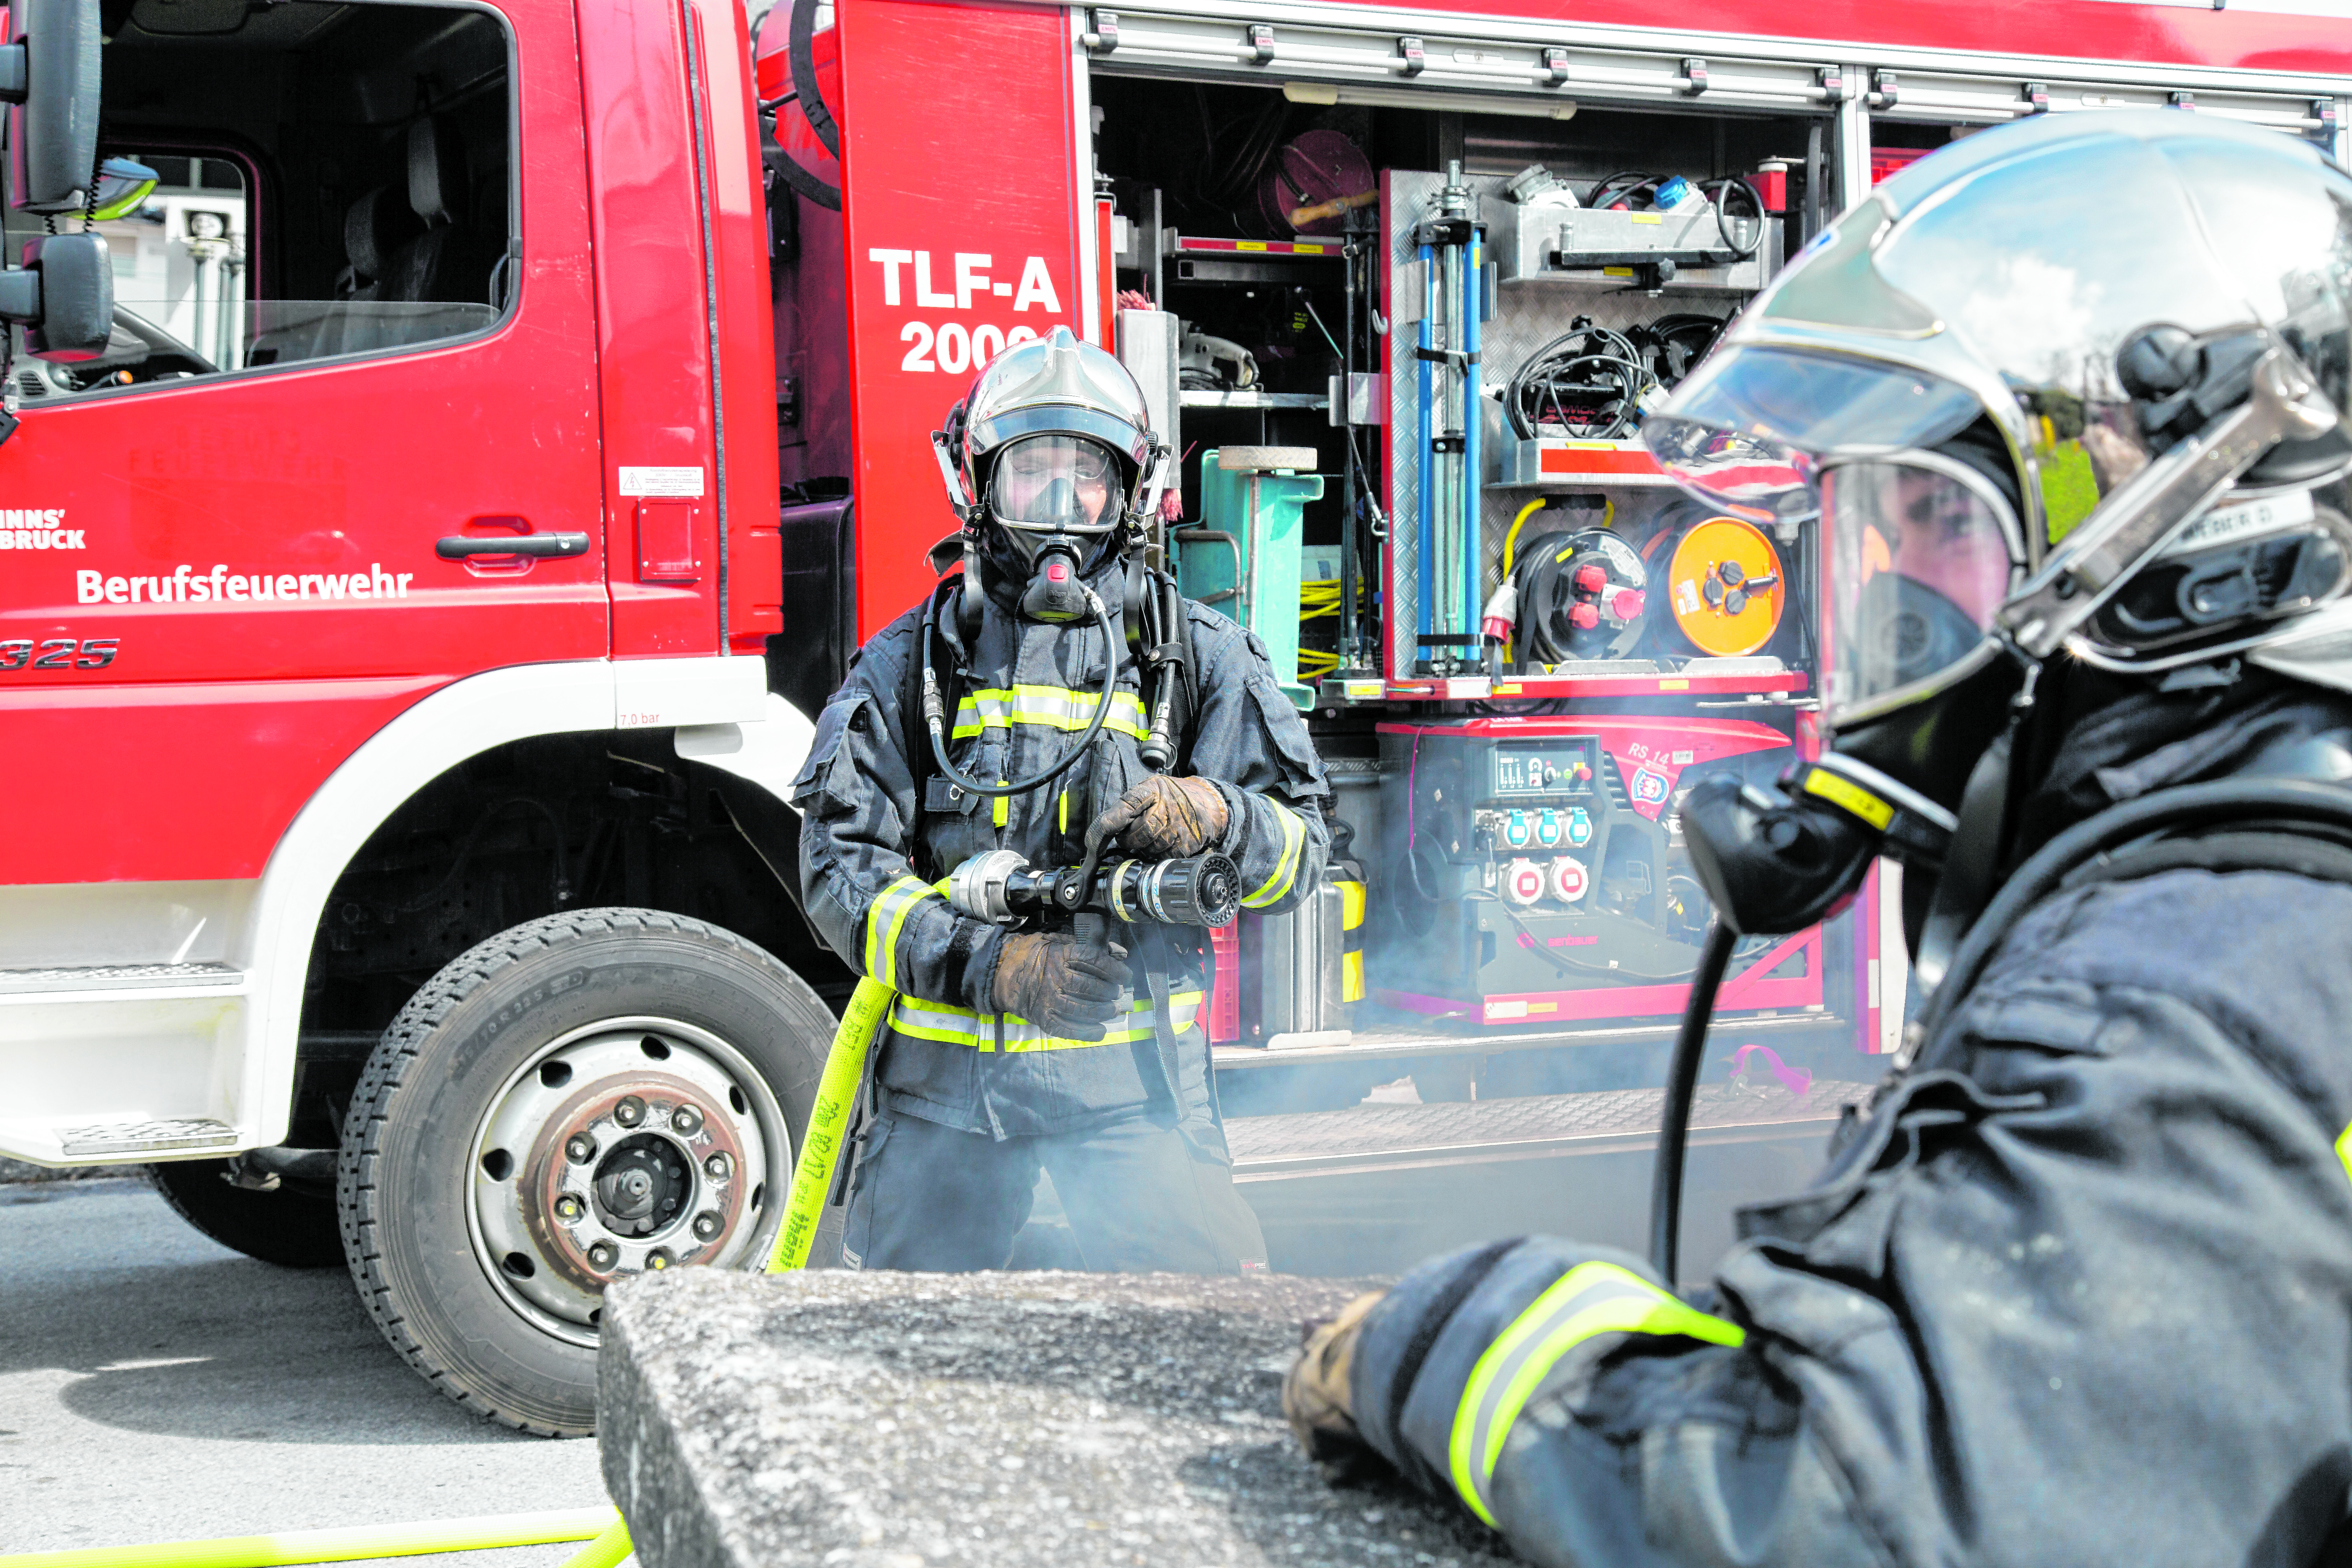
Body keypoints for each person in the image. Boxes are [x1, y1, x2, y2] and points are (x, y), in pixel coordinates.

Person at [1286, 110, 2352, 1565]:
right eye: (1865, 542)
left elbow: (1836, 1518)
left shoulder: (2183, 988)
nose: (1889, 609)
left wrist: (1455, 1337)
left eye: (1934, 525)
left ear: (2194, 551)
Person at [794, 327, 1328, 1273]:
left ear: (1131, 491)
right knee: (908, 1346)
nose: (1060, 501)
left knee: (1198, 1335)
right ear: (978, 486)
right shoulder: (911, 663)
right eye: (1031, 470)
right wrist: (989, 965)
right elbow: (841, 874)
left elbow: (1305, 858)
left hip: (1137, 1100)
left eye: (1086, 474)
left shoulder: (1197, 657)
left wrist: (1219, 815)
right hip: (945, 1101)